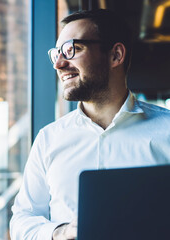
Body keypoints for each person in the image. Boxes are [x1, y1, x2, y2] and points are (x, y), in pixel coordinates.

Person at [10, 9, 170, 240]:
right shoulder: (48, 139)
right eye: (57, 53)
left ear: (115, 55)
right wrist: (61, 231)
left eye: (71, 49)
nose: (59, 64)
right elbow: (22, 221)